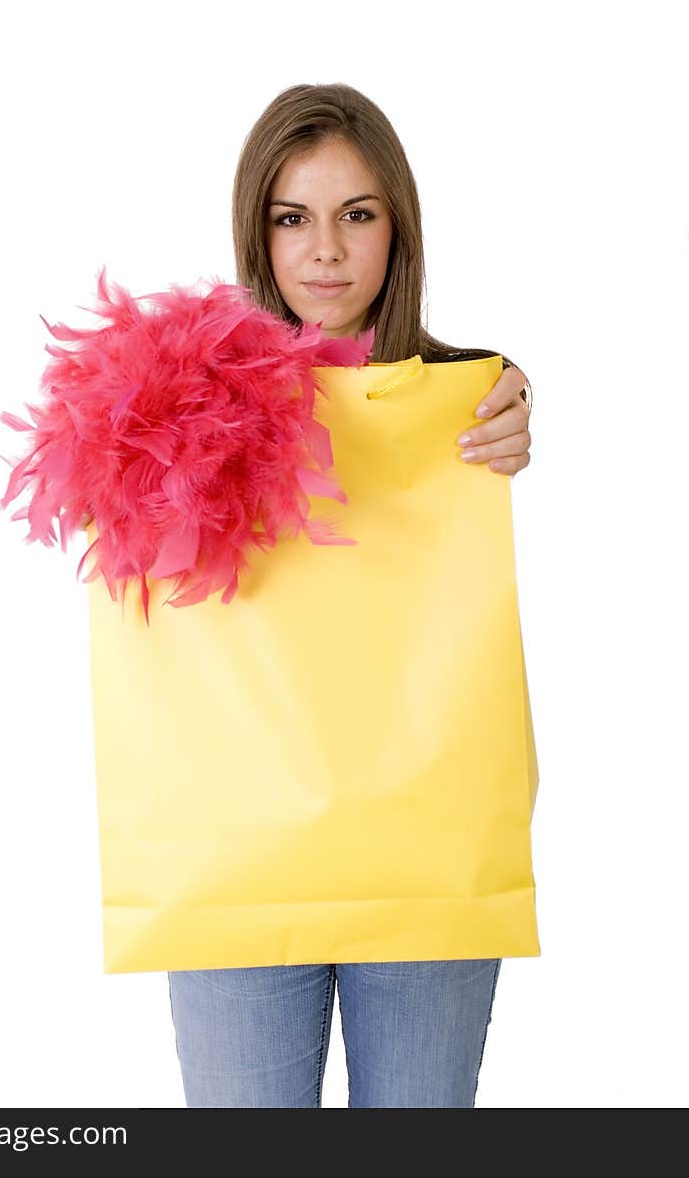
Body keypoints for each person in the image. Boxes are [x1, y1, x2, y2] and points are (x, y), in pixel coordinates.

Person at [166, 82, 533, 1108]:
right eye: (293, 218)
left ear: (396, 229)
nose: (325, 249)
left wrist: (506, 401)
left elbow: (483, 410)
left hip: (425, 853)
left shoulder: (467, 400)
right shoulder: (184, 406)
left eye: (356, 214)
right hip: (237, 856)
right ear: (258, 232)